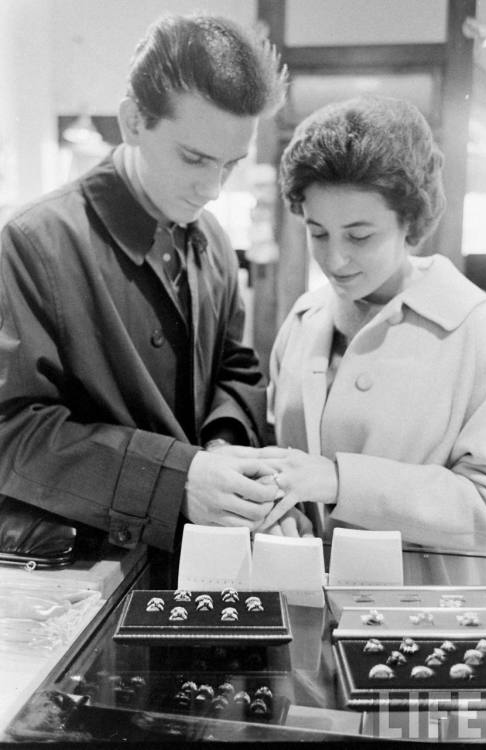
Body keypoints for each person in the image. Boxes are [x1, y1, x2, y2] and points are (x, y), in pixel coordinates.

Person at [0, 13, 289, 552]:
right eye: (194, 158)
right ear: (133, 121)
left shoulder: (216, 242)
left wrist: (223, 444)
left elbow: (234, 368)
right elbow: (11, 434)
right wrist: (177, 479)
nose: (212, 188)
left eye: (230, 164)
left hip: (204, 567)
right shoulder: (33, 243)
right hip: (91, 577)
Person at [256, 95, 486, 551]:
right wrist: (276, 513)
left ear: (411, 219)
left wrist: (341, 481)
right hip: (301, 598)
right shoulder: (306, 318)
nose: (335, 258)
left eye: (360, 236)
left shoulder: (477, 331)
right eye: (317, 232)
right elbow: (278, 455)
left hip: (424, 609)